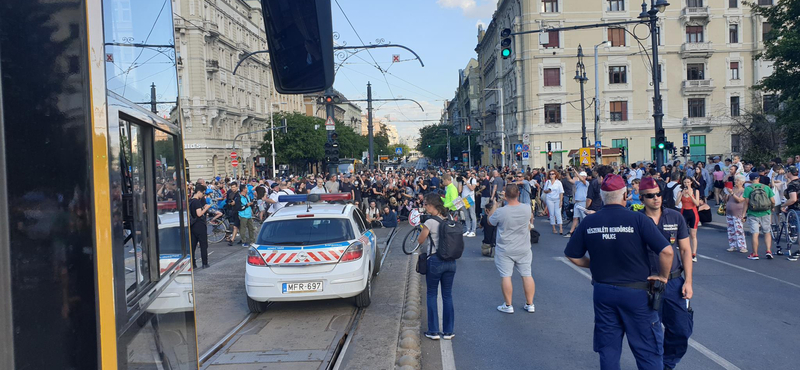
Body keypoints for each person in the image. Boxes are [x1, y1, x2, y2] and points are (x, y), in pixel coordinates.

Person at [564, 174, 674, 370]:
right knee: (647, 348)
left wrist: (595, 263)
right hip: (636, 293)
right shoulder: (638, 219)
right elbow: (666, 251)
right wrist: (663, 277)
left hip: (603, 291)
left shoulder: (590, 221)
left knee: (608, 348)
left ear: (603, 196)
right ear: (625, 196)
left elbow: (572, 255)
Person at [639, 178, 694, 370]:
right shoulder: (636, 219)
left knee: (681, 330)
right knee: (649, 333)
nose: (656, 198)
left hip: (673, 283)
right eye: (650, 196)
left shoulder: (675, 216)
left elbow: (686, 250)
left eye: (659, 194)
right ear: (641, 198)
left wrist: (688, 282)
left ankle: (667, 365)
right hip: (646, 285)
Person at [487, 184, 536, 314]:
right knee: (527, 274)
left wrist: (496, 205)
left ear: (506, 195)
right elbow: (530, 221)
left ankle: (508, 305)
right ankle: (530, 303)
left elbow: (490, 221)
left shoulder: (501, 211)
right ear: (518, 194)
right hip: (524, 247)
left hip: (505, 248)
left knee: (506, 276)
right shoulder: (527, 209)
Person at [418, 193, 456, 340]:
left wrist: (421, 230)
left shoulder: (430, 223)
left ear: (432, 205)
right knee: (447, 295)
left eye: (426, 204)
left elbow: (421, 240)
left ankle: (433, 331)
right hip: (451, 262)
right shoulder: (450, 219)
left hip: (435, 260)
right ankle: (448, 331)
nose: (424, 207)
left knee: (432, 294)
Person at [745, 172, 775, 260]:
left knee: (755, 233)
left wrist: (743, 214)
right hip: (766, 212)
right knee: (767, 232)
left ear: (750, 180)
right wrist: (771, 208)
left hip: (753, 213)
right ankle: (768, 251)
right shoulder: (766, 187)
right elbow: (772, 201)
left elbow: (746, 202)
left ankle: (755, 254)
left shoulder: (748, 188)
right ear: (758, 178)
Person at [679, 177, 701, 262]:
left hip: (693, 213)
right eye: (685, 182)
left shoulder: (696, 191)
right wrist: (681, 194)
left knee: (693, 235)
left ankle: (694, 253)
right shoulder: (681, 191)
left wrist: (691, 195)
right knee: (683, 234)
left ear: (691, 182)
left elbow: (697, 203)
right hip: (684, 212)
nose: (686, 184)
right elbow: (677, 203)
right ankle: (685, 252)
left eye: (688, 182)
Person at [189, 184, 211, 268]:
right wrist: (206, 208)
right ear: (198, 192)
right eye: (202, 193)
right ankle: (204, 263)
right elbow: (199, 214)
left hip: (192, 225)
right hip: (200, 225)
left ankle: (193, 263)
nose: (203, 195)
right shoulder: (196, 202)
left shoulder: (190, 201)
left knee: (193, 245)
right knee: (203, 245)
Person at [725, 175, 748, 253]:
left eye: (737, 180)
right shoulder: (733, 189)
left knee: (739, 230)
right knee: (731, 229)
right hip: (729, 212)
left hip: (738, 213)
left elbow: (740, 200)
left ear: (742, 182)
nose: (736, 182)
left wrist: (732, 193)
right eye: (735, 180)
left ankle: (742, 246)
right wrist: (727, 194)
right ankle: (732, 245)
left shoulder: (744, 191)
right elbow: (726, 199)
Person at [782, 166, 800, 260]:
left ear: (789, 172)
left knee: (798, 231)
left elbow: (793, 199)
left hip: (796, 209)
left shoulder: (792, 185)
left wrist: (784, 205)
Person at [565, 169, 589, 237]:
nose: (579, 177)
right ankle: (571, 232)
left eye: (582, 176)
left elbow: (582, 180)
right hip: (577, 202)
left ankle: (585, 232)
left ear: (585, 176)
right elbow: (569, 180)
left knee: (584, 218)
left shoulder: (586, 183)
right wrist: (567, 173)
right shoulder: (577, 183)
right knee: (575, 217)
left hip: (583, 202)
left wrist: (576, 171)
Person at [543, 170, 564, 235]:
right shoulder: (547, 182)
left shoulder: (558, 182)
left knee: (558, 213)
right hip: (549, 199)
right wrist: (548, 191)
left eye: (553, 174)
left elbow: (561, 192)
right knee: (552, 214)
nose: (551, 175)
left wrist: (561, 201)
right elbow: (544, 190)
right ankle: (554, 228)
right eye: (550, 174)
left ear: (555, 175)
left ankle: (560, 228)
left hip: (557, 199)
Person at [461, 171, 478, 237]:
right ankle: (468, 229)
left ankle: (473, 230)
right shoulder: (463, 180)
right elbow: (460, 190)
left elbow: (472, 188)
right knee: (466, 215)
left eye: (468, 173)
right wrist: (460, 182)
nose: (467, 174)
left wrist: (466, 182)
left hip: (470, 199)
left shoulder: (473, 180)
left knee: (472, 215)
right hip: (464, 199)